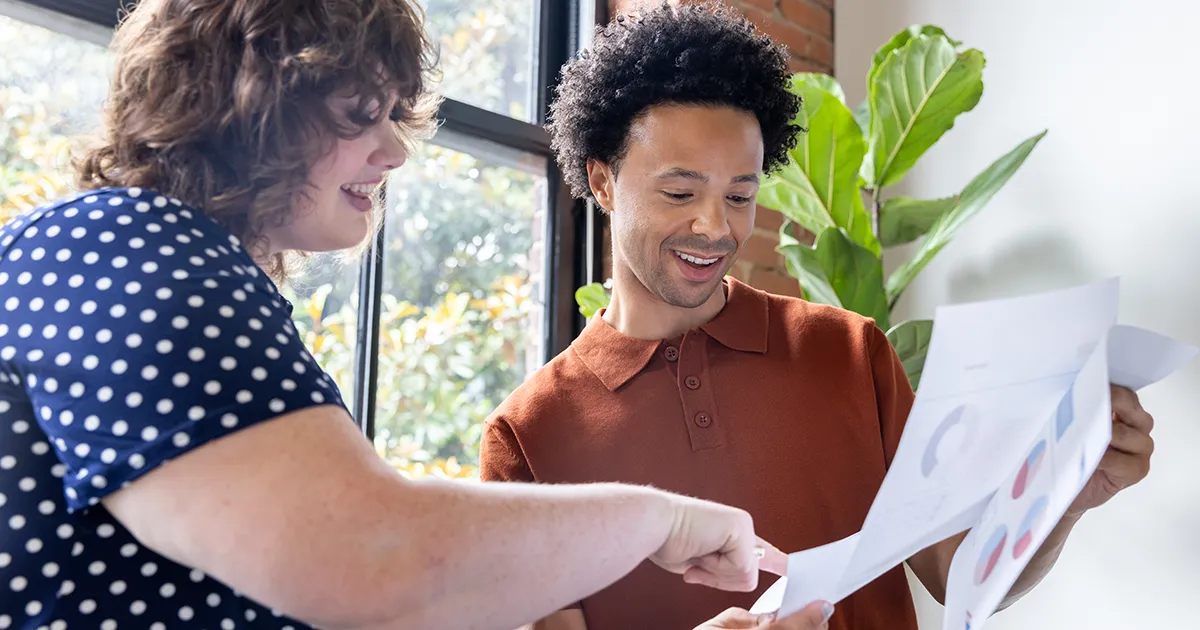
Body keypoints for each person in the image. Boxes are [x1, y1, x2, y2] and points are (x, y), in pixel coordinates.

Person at [0, 1, 838, 629]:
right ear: (248, 102)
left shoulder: (179, 268)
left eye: (395, 114)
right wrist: (660, 519)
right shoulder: (118, 244)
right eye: (362, 113)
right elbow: (373, 557)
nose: (397, 148)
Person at [479, 3, 1159, 630]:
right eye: (680, 191)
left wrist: (1065, 499)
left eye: (740, 195)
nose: (715, 227)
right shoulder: (529, 435)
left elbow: (960, 574)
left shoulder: (852, 353)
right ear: (602, 181)